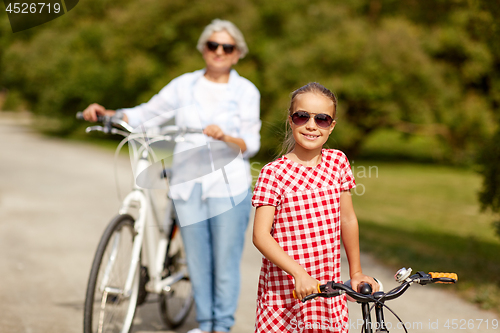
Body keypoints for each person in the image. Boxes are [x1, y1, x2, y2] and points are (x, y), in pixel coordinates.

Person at [82, 19, 261, 333]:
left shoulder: (246, 91)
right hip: (187, 185)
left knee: (224, 265)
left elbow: (252, 143)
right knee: (198, 263)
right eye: (213, 45)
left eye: (227, 47)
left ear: (237, 54)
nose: (219, 51)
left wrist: (225, 138)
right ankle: (206, 326)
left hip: (228, 186)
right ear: (203, 49)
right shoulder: (184, 85)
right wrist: (111, 114)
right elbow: (147, 114)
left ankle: (222, 327)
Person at [251, 82, 377, 332]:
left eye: (321, 119)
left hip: (327, 289)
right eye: (302, 116)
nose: (311, 125)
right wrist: (299, 274)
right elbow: (260, 236)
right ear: (291, 121)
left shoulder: (338, 162)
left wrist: (357, 272)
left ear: (331, 126)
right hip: (287, 291)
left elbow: (348, 219)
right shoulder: (273, 173)